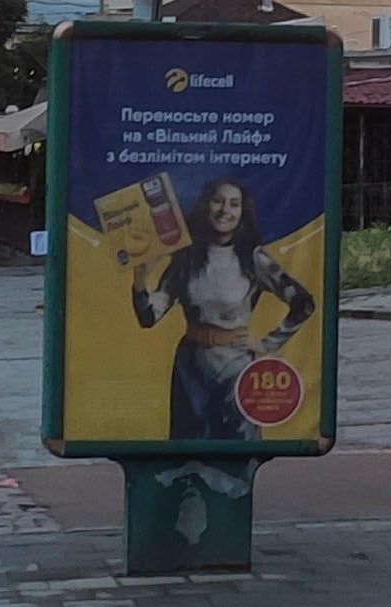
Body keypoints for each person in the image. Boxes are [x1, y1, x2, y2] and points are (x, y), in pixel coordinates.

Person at [128, 174, 314, 442]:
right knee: (187, 446)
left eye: (234, 204)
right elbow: (148, 317)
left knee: (238, 443)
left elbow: (303, 303)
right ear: (206, 205)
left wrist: (267, 344)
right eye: (218, 201)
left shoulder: (253, 258)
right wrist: (139, 280)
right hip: (190, 369)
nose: (224, 210)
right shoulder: (185, 257)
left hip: (235, 368)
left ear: (243, 212)